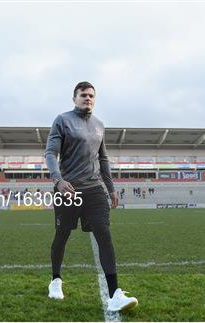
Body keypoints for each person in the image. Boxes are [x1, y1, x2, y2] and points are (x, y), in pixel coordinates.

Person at [45, 81, 138, 312]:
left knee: (104, 235)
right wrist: (58, 180)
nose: (88, 99)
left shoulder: (99, 125)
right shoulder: (62, 120)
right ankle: (56, 279)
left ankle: (115, 294)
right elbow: (50, 153)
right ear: (74, 98)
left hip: (94, 189)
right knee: (62, 235)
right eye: (84, 95)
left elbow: (103, 159)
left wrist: (111, 188)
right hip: (68, 189)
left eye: (92, 96)